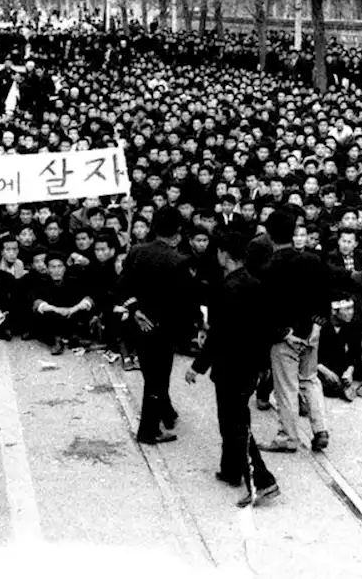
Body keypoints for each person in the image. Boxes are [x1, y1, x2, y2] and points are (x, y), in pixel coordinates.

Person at [185, 228, 281, 508]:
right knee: (232, 418)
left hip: (231, 366)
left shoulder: (229, 288)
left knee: (235, 423)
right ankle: (230, 470)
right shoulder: (255, 283)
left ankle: (262, 481)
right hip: (250, 365)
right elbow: (266, 328)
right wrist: (263, 365)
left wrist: (197, 366)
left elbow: (219, 335)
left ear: (224, 255)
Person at [118, 207, 200, 444]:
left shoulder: (136, 251)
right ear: (177, 233)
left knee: (151, 375)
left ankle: (166, 413)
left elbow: (123, 285)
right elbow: (185, 302)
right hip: (164, 329)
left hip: (140, 324)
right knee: (157, 379)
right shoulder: (179, 261)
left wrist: (135, 311)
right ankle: (148, 430)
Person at [257, 209, 330, 454]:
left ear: (270, 235)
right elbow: (324, 297)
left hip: (285, 336)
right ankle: (320, 429)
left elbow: (267, 308)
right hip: (312, 332)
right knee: (310, 380)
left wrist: (283, 333)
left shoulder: (269, 268)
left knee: (286, 387)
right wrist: (317, 326)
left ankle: (288, 437)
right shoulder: (313, 261)